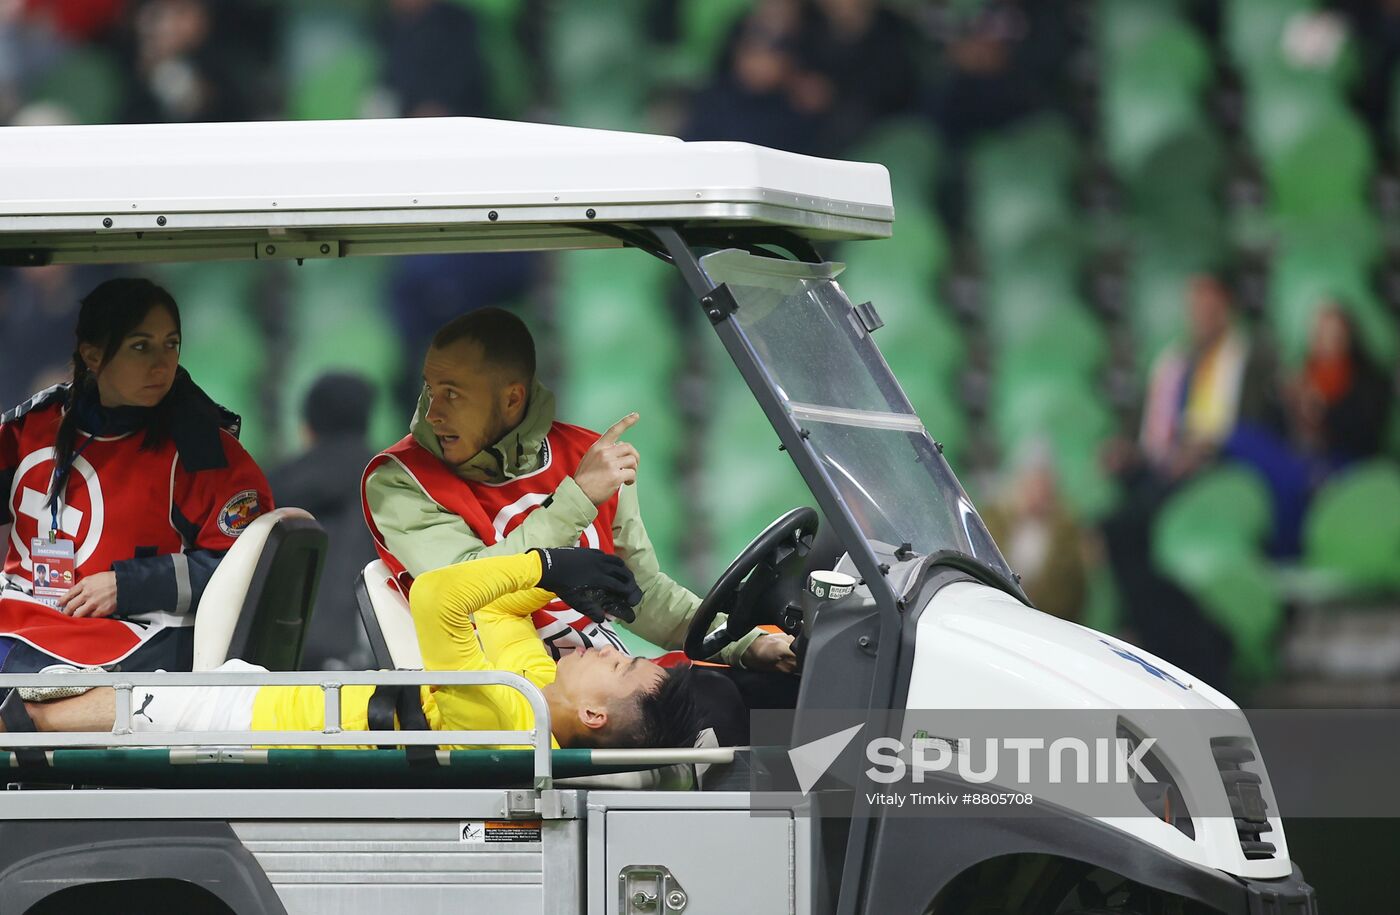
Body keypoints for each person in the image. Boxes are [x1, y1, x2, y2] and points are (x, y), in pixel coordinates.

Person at [361, 308, 795, 674]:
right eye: (429, 389)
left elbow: (641, 596)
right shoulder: (400, 480)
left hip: (605, 678)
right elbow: (467, 592)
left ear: (512, 399)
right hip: (521, 697)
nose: (433, 413)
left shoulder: (585, 453)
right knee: (726, 705)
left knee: (766, 690)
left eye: (452, 395)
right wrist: (578, 498)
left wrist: (747, 643)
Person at [0, 548, 700, 752]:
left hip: (257, 727)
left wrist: (546, 565)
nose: (609, 650)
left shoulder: (508, 716)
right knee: (68, 688)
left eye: (620, 665)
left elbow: (436, 598)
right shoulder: (534, 677)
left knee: (31, 723)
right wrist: (551, 579)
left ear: (594, 716)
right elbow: (483, 598)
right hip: (269, 696)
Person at [0, 278, 273, 680]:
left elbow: (248, 568)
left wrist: (126, 585)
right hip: (21, 616)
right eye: (141, 346)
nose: (162, 364)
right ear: (92, 355)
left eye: (171, 344)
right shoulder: (33, 425)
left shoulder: (202, 449)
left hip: (136, 636)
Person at [269, 372, 378, 669]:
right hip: (369, 650)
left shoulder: (271, 488)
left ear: (307, 427)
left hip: (283, 648)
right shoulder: (392, 484)